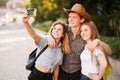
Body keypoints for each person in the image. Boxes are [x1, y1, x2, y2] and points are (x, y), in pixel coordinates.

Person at [47, 3, 112, 80]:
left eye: (74, 17)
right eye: (69, 16)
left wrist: (98, 41)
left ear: (81, 19)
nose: (70, 19)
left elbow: (109, 52)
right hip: (63, 71)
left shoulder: (85, 33)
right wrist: (49, 36)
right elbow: (52, 31)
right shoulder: (64, 29)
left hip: (78, 72)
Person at [22, 14, 70, 80]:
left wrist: (56, 79)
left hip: (49, 77)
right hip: (37, 75)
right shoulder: (45, 40)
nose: (56, 31)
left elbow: (57, 66)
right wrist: (26, 23)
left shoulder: (61, 48)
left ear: (63, 34)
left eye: (59, 29)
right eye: (54, 28)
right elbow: (34, 35)